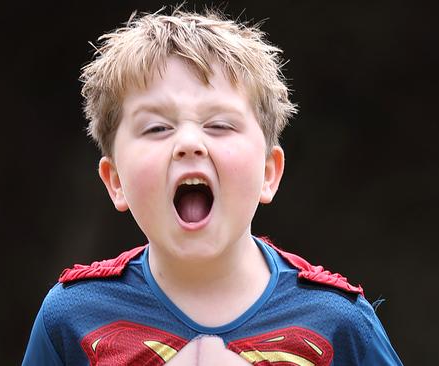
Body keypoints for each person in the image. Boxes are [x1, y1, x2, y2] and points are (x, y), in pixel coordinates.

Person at [22, 7, 402, 366]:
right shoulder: (70, 318)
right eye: (157, 128)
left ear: (269, 173)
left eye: (219, 125)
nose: (189, 143)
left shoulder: (339, 323)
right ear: (116, 181)